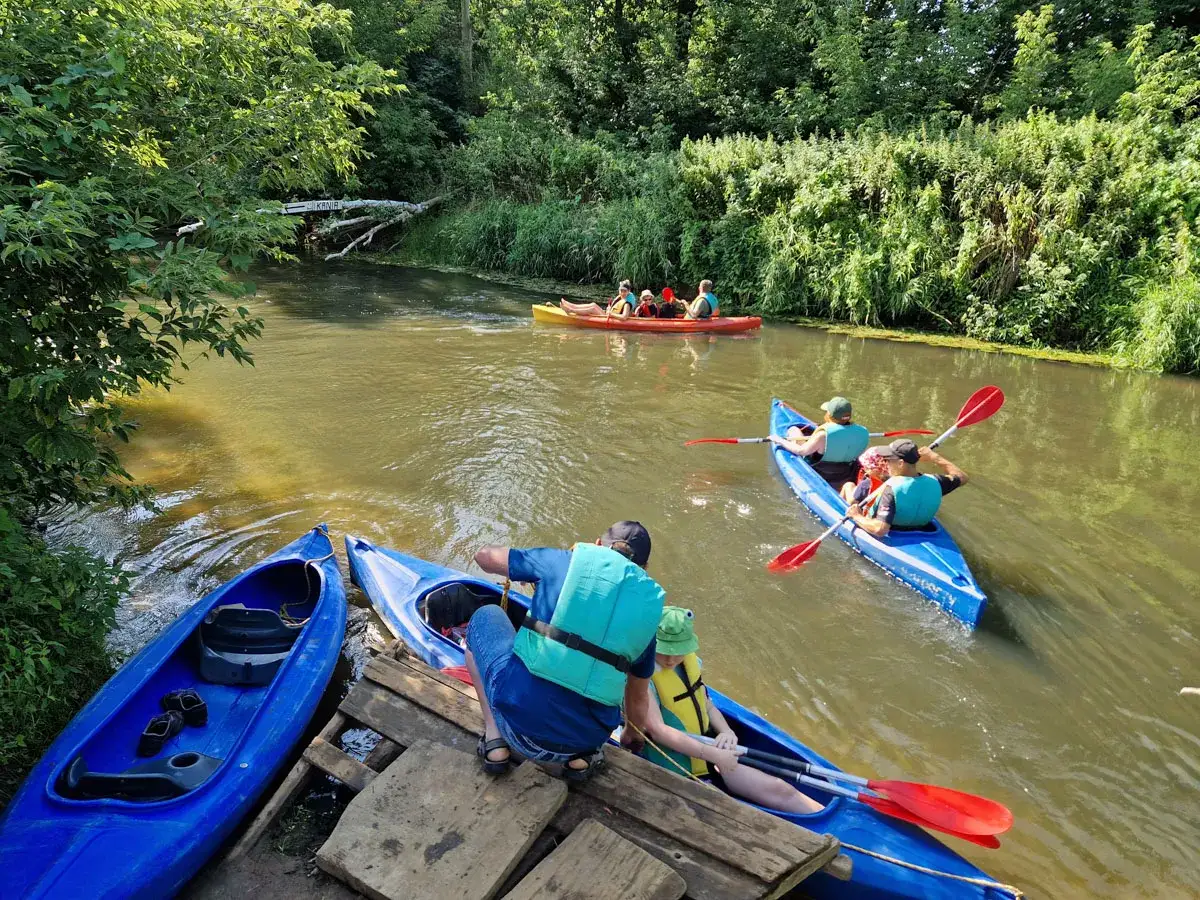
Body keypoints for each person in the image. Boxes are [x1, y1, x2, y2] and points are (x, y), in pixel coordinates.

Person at [467, 521, 665, 781]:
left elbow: (484, 557)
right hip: (585, 742)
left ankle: (495, 739)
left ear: (597, 544)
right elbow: (638, 698)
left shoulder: (563, 560)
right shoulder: (647, 612)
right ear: (644, 568)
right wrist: (631, 736)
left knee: (486, 615)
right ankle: (579, 762)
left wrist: (534, 567)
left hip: (519, 730)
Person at [633, 607, 824, 815]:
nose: (671, 660)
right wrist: (713, 754)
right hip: (676, 765)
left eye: (678, 652)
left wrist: (726, 731)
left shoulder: (687, 665)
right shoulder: (644, 676)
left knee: (781, 789)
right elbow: (658, 730)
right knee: (728, 811)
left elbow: (706, 703)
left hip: (708, 754)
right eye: (665, 651)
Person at [845, 439, 969, 536]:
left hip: (893, 535)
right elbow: (962, 477)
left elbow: (880, 529)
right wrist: (934, 457)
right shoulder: (937, 481)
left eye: (888, 460)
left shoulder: (891, 488)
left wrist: (856, 516)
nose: (885, 463)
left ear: (900, 463)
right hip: (925, 532)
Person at [769, 396, 870, 490]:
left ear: (829, 415)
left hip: (822, 472)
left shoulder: (823, 435)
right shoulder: (863, 431)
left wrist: (780, 440)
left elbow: (801, 451)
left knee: (793, 430)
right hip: (846, 472)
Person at [560, 280, 635, 319]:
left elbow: (624, 317)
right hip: (608, 314)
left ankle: (570, 310)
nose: (622, 293)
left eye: (625, 291)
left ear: (628, 291)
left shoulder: (627, 304)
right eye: (621, 291)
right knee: (593, 304)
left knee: (592, 308)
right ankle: (571, 305)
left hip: (610, 318)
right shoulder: (624, 297)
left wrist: (611, 314)